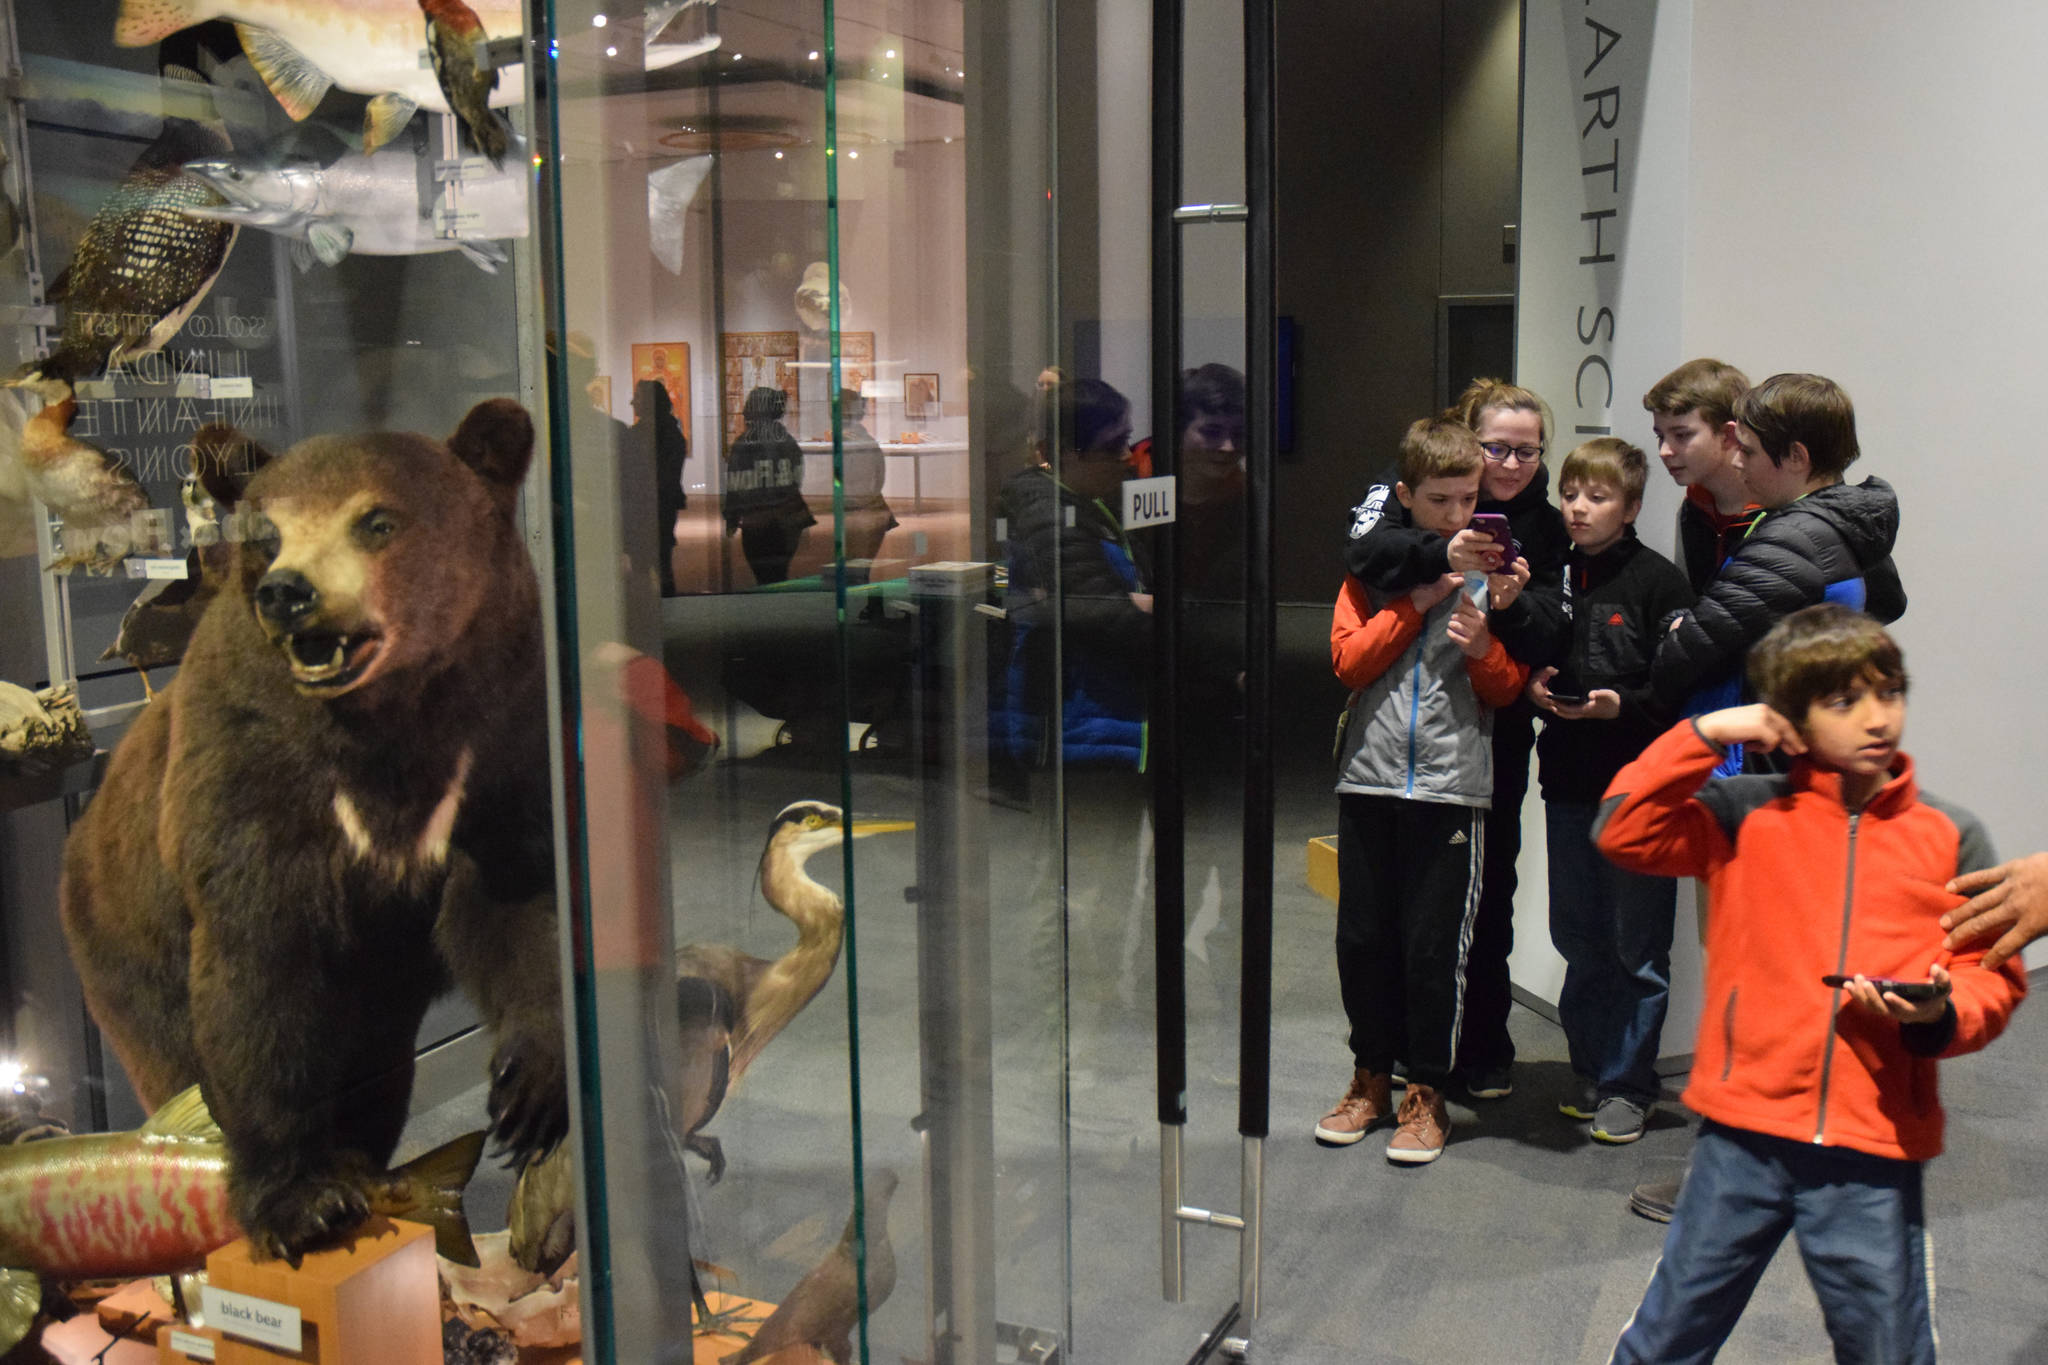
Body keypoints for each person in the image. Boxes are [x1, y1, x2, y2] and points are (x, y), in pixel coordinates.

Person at [1595, 605, 2025, 1363]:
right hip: (1742, 1134)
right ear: (1788, 717)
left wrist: (1938, 1012)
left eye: (1889, 693)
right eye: (1843, 700)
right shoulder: (1743, 813)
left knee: (1887, 1347)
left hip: (1873, 1142)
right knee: (1666, 1338)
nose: (1876, 717)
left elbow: (1991, 977)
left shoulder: (1950, 835)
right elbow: (1621, 828)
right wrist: (1709, 732)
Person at [1342, 378, 1568, 1100]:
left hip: (1481, 740)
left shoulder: (1547, 525)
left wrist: (1507, 606)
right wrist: (1443, 568)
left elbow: (1546, 635)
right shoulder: (1407, 489)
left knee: (1477, 902)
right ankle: (1392, 1060)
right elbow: (1362, 558)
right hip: (1381, 751)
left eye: (1527, 450)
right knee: (1375, 926)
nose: (1510, 462)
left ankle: (1471, 1054)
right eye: (1497, 446)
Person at [1319, 416, 1529, 1165]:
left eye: (1468, 499)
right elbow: (1348, 662)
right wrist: (1416, 602)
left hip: (1452, 787)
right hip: (1369, 780)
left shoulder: (1499, 576)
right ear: (1405, 496)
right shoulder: (1373, 571)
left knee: (1437, 948)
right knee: (1363, 941)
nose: (1456, 515)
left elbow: (1506, 690)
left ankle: (1427, 1093)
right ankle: (1369, 1079)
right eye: (1439, 499)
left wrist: (1482, 646)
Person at [1525, 438, 1694, 1145]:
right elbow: (1525, 650)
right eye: (1570, 493)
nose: (1577, 508)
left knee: (1637, 946)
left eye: (1595, 497)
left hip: (1641, 792)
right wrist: (1531, 688)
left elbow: (1677, 690)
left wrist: (1617, 707)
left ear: (1629, 507)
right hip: (1566, 781)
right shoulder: (1549, 573)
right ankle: (1592, 1070)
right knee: (1578, 934)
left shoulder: (1660, 583)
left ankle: (1630, 1084)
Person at [1648, 372, 1905, 718]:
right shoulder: (1833, 521)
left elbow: (1677, 660)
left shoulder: (1791, 540)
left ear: (1797, 457)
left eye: (1749, 452)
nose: (1738, 461)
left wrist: (1674, 627)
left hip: (1753, 743)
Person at [1642, 358, 1762, 594]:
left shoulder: (1777, 513)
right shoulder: (1692, 509)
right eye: (1660, 436)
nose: (1664, 451)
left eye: (1682, 435)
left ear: (1728, 435)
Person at [722, 385, 814, 586]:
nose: (745, 410)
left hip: (758, 523)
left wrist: (731, 517)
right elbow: (796, 480)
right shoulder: (788, 441)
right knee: (778, 574)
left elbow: (735, 484)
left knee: (765, 577)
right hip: (788, 521)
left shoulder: (744, 443)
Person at [631, 378, 689, 595]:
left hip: (650, 508)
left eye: (637, 399)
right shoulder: (671, 433)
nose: (632, 403)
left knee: (646, 566)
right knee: (660, 562)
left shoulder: (643, 435)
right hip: (660, 506)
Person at [834, 387, 898, 566]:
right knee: (857, 570)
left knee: (855, 569)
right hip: (867, 510)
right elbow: (878, 478)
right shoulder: (862, 439)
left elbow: (866, 483)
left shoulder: (855, 442)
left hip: (862, 513)